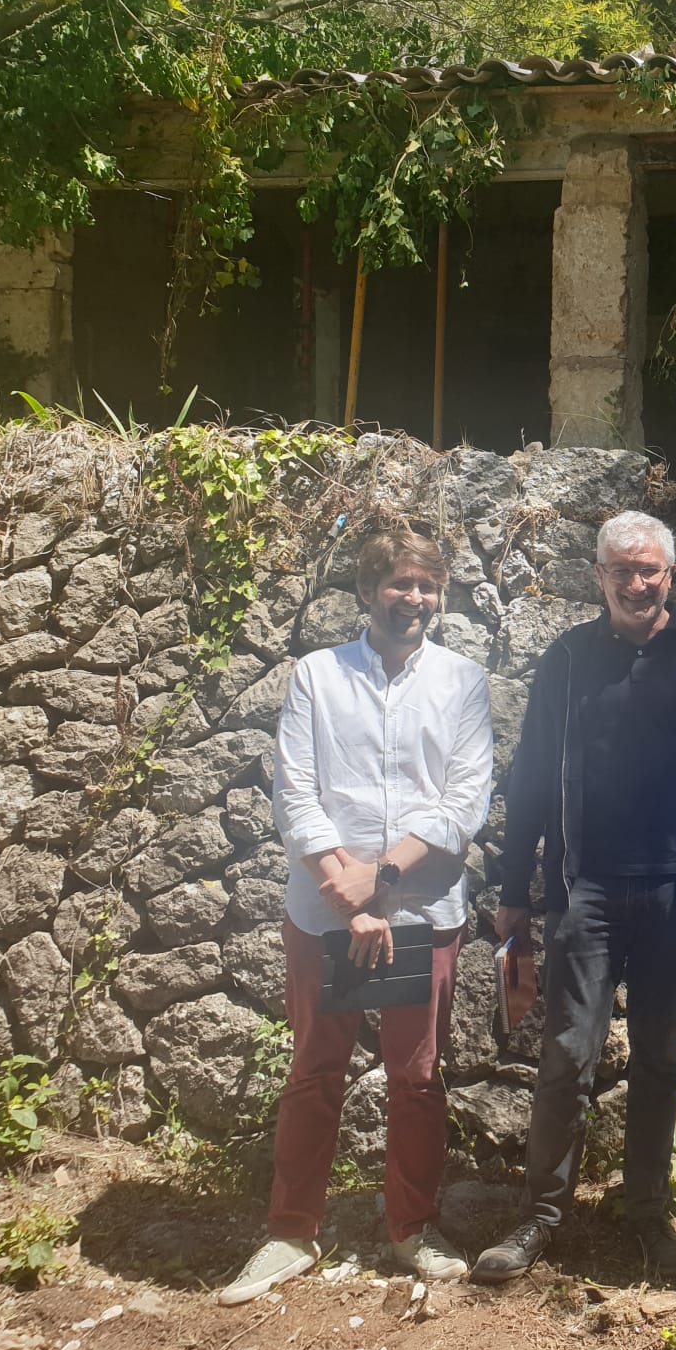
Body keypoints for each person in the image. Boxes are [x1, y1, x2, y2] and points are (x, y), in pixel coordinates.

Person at [218, 528, 494, 1305]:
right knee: (314, 1071)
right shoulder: (318, 674)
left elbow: (461, 800)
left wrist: (378, 884)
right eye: (401, 584)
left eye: (427, 586)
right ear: (369, 591)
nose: (415, 599)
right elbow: (295, 792)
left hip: (418, 912)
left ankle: (412, 1226)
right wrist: (345, 890)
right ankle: (289, 1232)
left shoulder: (462, 681)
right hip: (324, 910)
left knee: (416, 1078)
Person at [474, 510, 676, 1283]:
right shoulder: (566, 661)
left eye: (650, 570)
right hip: (583, 891)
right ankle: (541, 1216)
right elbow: (529, 774)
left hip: (673, 895)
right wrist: (514, 888)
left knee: (661, 1058)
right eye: (622, 570)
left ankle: (647, 1215)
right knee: (566, 1053)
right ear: (598, 576)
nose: (637, 583)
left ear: (670, 574)